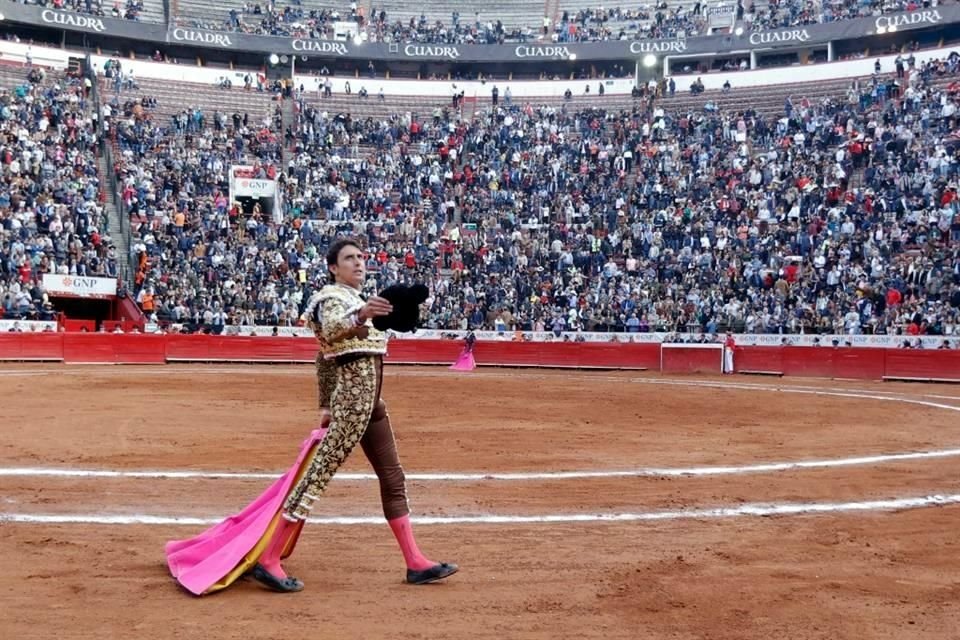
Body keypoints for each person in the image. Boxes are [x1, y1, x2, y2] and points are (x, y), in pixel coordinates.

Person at [166, 238, 458, 595]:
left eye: (362, 257)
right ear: (333, 267)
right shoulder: (328, 299)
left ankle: (414, 561)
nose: (359, 263)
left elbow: (323, 358)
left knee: (393, 477)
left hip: (371, 405)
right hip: (352, 404)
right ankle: (270, 560)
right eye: (350, 258)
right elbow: (333, 330)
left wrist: (323, 403)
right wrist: (362, 316)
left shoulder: (357, 300)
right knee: (316, 479)